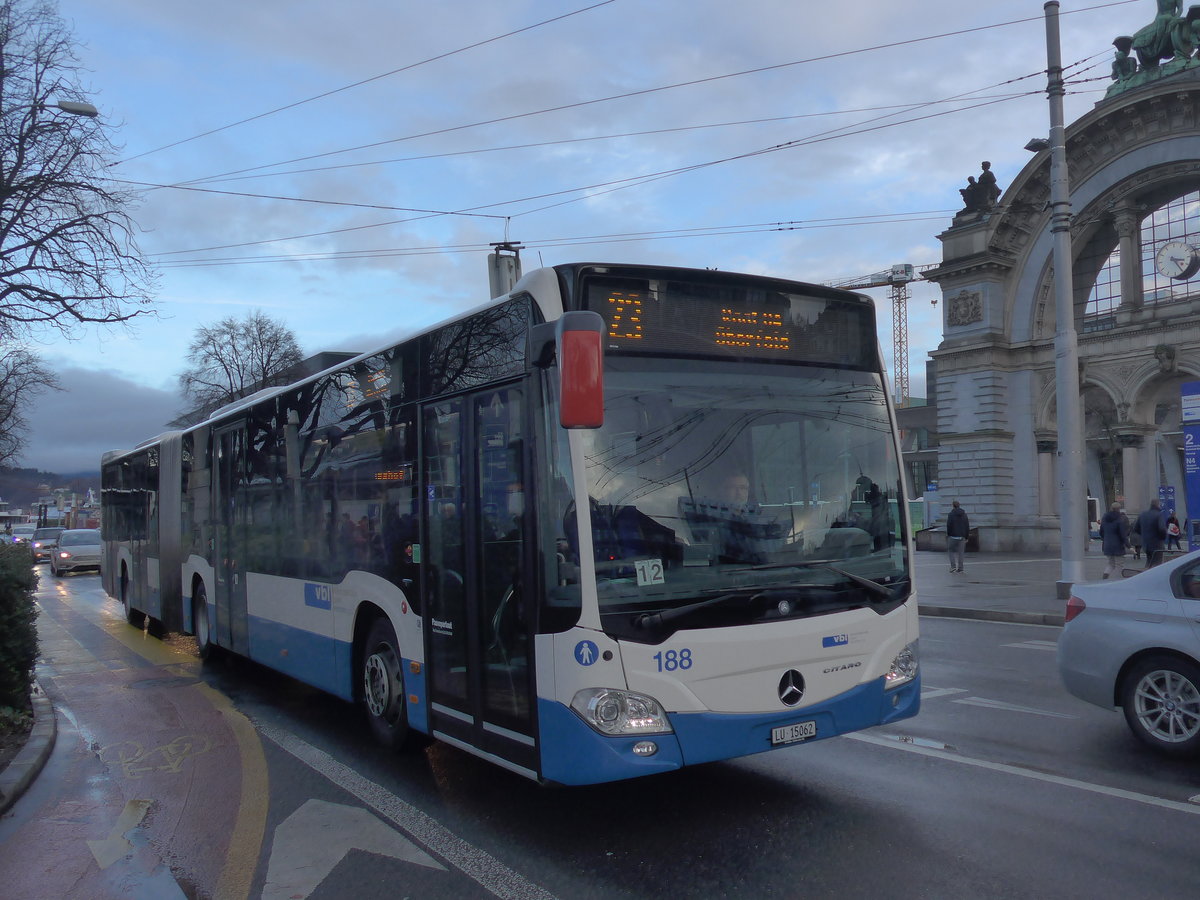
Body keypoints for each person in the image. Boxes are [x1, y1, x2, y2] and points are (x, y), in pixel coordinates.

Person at [1134, 498, 1167, 568]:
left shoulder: (1143, 514)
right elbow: (1162, 529)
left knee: (1149, 561)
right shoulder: (1158, 515)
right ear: (1158, 505)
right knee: (1157, 564)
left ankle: (1146, 573)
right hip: (1157, 544)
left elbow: (1136, 528)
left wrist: (1144, 534)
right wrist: (1162, 538)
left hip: (1146, 544)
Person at [1099, 502, 1130, 579]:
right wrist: (1129, 546)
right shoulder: (1120, 519)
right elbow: (1123, 535)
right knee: (1119, 565)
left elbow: (1101, 532)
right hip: (1118, 546)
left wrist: (1106, 539)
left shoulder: (1105, 518)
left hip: (1107, 545)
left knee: (1111, 564)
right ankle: (1118, 580)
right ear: (1119, 509)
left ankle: (1105, 575)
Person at [946, 500, 970, 573]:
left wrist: (948, 534)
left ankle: (953, 566)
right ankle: (960, 568)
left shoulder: (950, 514)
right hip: (962, 536)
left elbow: (949, 525)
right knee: (961, 553)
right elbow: (967, 526)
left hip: (953, 536)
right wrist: (966, 537)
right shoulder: (964, 514)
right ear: (959, 505)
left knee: (951, 551)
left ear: (953, 506)